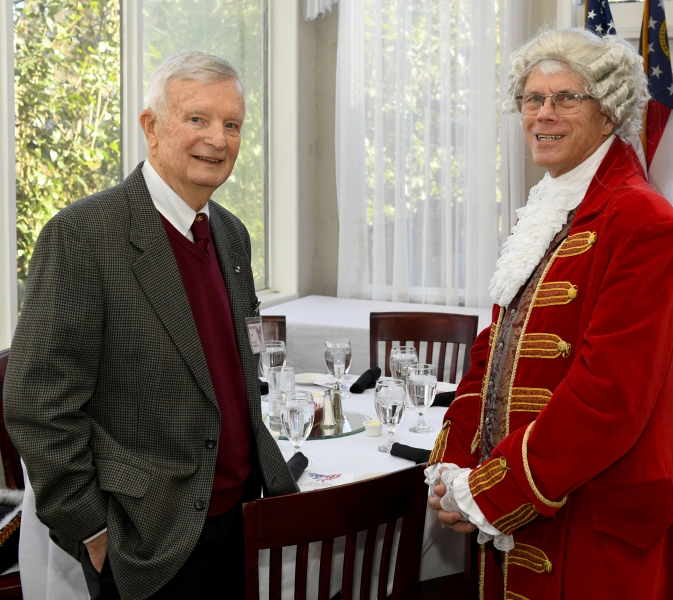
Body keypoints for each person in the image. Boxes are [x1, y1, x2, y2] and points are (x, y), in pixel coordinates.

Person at [4, 51, 298, 600]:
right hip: (148, 543)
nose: (218, 139)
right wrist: (94, 532)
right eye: (197, 119)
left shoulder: (231, 234)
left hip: (241, 517)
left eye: (232, 125)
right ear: (151, 127)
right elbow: (36, 406)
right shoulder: (83, 235)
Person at [427, 27, 673, 600]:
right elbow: (495, 347)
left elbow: (609, 397)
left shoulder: (643, 220)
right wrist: (454, 462)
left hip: (589, 520)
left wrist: (491, 492)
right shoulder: (550, 205)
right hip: (521, 510)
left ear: (608, 114)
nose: (543, 113)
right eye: (532, 98)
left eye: (566, 98)